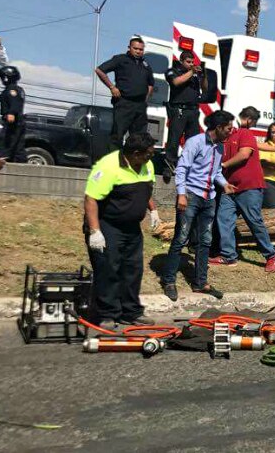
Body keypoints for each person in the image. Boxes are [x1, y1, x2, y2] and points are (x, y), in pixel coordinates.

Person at [83, 132, 160, 328]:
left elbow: (145, 189)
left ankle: (130, 312)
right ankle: (107, 314)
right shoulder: (108, 166)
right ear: (135, 153)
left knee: (133, 270)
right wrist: (95, 232)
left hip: (131, 227)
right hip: (107, 225)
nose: (151, 157)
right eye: (148, 154)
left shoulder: (146, 165)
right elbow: (91, 198)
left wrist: (153, 210)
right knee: (108, 268)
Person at [161, 110, 236, 301]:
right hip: (191, 196)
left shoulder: (220, 148)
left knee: (205, 241)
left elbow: (217, 171)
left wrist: (224, 184)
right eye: (228, 128)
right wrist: (181, 195)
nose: (231, 131)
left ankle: (200, 283)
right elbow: (182, 169)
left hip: (209, 198)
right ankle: (169, 280)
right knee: (181, 238)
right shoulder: (194, 142)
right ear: (218, 127)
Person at [213, 107, 275, 271]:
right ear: (250, 120)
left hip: (249, 186)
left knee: (254, 221)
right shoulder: (226, 136)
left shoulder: (245, 134)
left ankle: (271, 255)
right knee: (224, 219)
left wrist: (222, 165)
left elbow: (244, 154)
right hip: (230, 187)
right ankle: (228, 255)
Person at [95, 36, 154, 150]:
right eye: (135, 48)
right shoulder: (120, 59)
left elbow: (151, 83)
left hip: (140, 106)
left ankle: (132, 163)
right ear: (129, 48)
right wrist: (112, 87)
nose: (138, 51)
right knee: (117, 135)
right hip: (124, 103)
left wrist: (146, 98)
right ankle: (114, 163)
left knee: (139, 138)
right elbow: (99, 70)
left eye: (141, 49)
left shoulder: (145, 65)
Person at [163, 49, 208, 176]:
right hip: (179, 110)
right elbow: (176, 82)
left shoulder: (194, 75)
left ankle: (188, 166)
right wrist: (192, 72)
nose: (191, 64)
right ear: (181, 61)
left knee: (192, 142)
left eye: (192, 62)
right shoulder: (173, 71)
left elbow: (205, 89)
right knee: (174, 139)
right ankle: (169, 165)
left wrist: (203, 75)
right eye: (188, 62)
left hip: (193, 111)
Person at [0, 66, 25, 162]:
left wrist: (11, 113)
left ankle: (2, 157)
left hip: (13, 120)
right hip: (19, 121)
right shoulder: (17, 89)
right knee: (18, 147)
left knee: (7, 142)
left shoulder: (12, 90)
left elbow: (14, 102)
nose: (2, 79)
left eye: (3, 76)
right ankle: (20, 161)